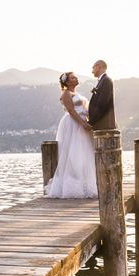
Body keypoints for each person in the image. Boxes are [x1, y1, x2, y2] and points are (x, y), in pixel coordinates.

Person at [44, 71, 98, 199]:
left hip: (82, 123)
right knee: (74, 153)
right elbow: (71, 111)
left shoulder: (77, 94)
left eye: (75, 77)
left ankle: (86, 184)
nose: (76, 78)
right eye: (73, 77)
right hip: (73, 124)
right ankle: (73, 187)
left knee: (84, 153)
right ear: (67, 82)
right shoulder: (66, 94)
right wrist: (82, 124)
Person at [88, 59, 116, 130]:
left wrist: (91, 122)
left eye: (93, 68)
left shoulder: (106, 80)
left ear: (98, 66)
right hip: (101, 124)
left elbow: (102, 104)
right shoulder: (102, 80)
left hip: (104, 125)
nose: (92, 71)